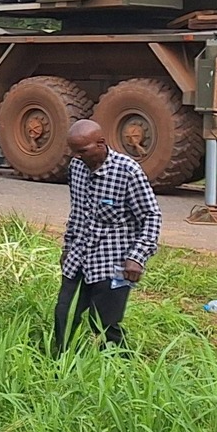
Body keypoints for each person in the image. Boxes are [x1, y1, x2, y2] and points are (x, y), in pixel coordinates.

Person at [53, 119, 160, 354]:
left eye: (83, 151)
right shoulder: (77, 168)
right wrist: (67, 247)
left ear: (100, 143)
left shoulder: (128, 172)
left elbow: (151, 216)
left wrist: (137, 257)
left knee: (105, 324)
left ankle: (120, 368)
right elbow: (78, 213)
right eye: (74, 152)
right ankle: (59, 366)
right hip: (79, 256)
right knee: (64, 315)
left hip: (114, 262)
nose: (78, 157)